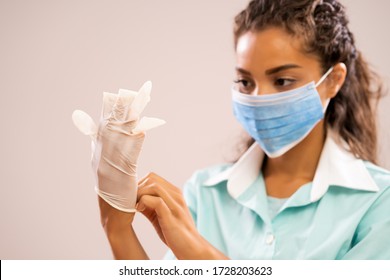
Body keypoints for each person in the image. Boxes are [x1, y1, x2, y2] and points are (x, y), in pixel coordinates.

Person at [98, 0, 390, 259]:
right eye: (245, 82)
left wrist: (196, 251)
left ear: (333, 80)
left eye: (283, 81)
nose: (257, 99)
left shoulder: (378, 203)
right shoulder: (205, 193)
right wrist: (117, 228)